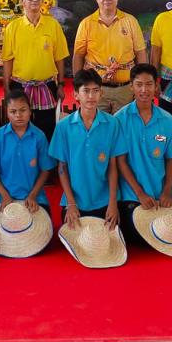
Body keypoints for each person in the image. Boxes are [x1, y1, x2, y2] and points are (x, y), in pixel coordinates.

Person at [114, 63, 172, 243]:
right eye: (139, 85)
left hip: (163, 193)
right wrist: (140, 194)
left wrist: (167, 190)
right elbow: (121, 162)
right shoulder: (119, 120)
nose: (144, 90)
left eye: (149, 84)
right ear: (131, 86)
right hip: (132, 194)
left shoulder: (167, 120)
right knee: (138, 237)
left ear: (156, 86)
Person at [49, 69, 126, 230]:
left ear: (101, 93)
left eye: (95, 90)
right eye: (86, 91)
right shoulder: (63, 127)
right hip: (75, 201)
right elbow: (62, 168)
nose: (91, 96)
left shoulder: (112, 124)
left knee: (108, 236)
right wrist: (71, 204)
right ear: (76, 94)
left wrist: (112, 203)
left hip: (104, 200)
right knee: (74, 235)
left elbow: (113, 166)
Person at [2, 0, 69, 140]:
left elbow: (59, 58)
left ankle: (46, 156)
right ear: (22, 1)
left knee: (47, 129)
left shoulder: (53, 25)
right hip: (20, 86)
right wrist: (6, 88)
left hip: (46, 85)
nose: (35, 0)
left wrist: (60, 84)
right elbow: (7, 60)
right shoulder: (13, 27)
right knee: (20, 127)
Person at [72, 0, 148, 114]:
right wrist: (78, 85)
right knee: (97, 124)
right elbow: (78, 56)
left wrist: (141, 84)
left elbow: (140, 53)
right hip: (95, 89)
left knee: (123, 125)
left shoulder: (130, 21)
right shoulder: (86, 23)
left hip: (125, 89)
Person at [0, 87, 55, 215]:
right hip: (4, 198)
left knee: (42, 225)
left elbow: (45, 170)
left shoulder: (39, 136)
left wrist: (33, 195)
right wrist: (5, 195)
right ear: (7, 113)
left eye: (23, 110)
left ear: (30, 111)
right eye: (13, 111)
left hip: (35, 198)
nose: (18, 115)